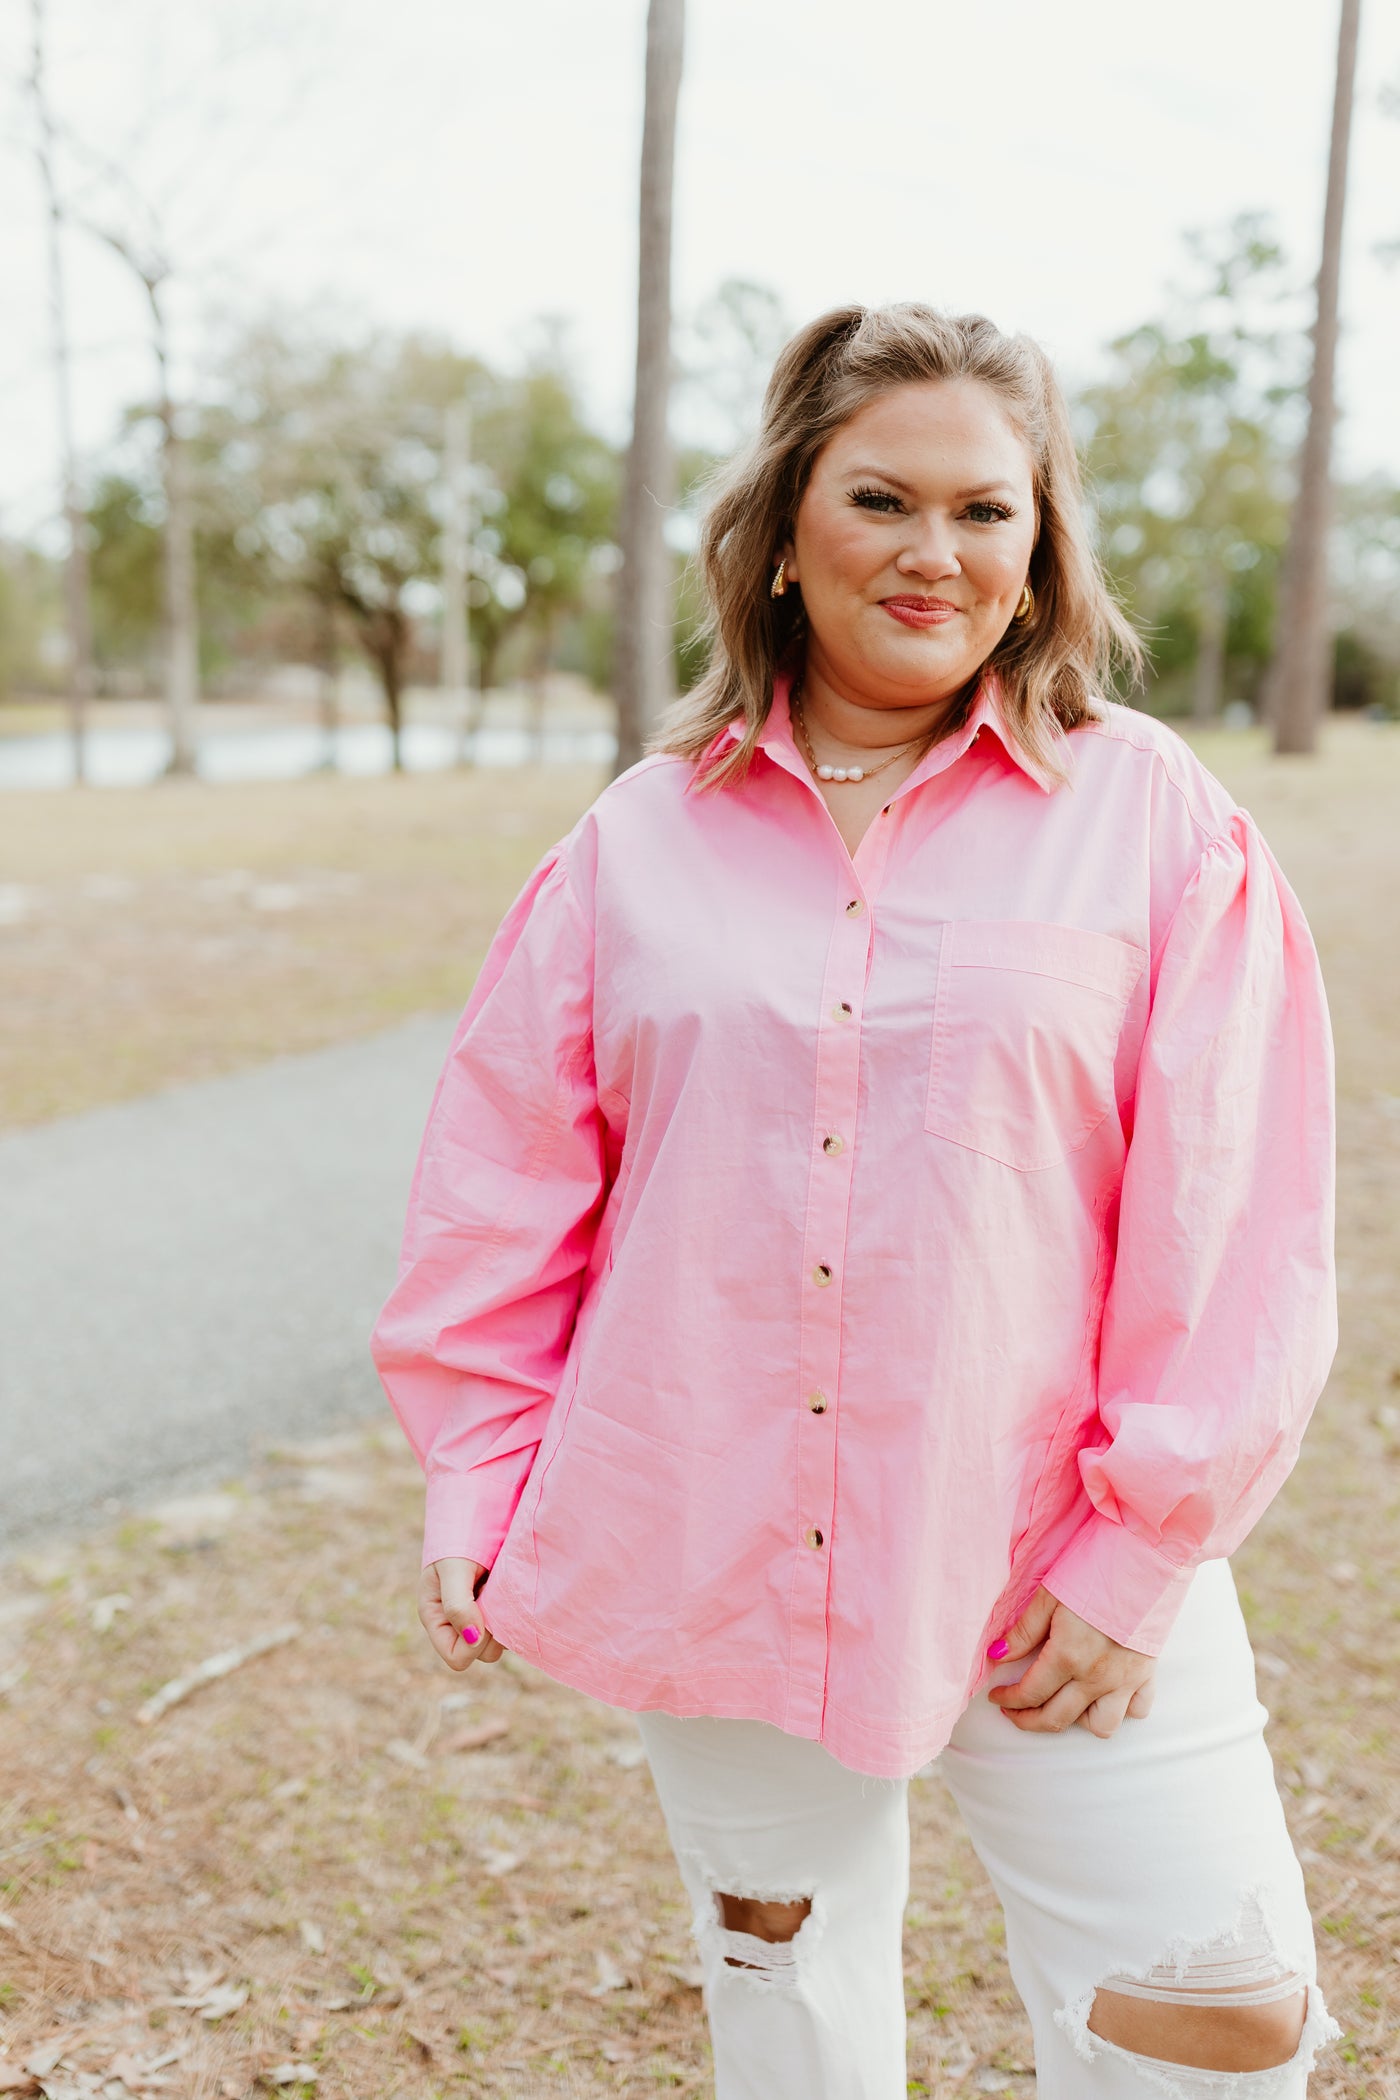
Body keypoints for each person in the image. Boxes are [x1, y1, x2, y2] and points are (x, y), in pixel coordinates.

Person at [370, 304, 1342, 2099]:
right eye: (883, 498)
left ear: (1041, 546)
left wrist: (1141, 1550)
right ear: (785, 526)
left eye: (990, 511)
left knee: (1213, 2030)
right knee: (793, 2017)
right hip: (717, 1535)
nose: (935, 553)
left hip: (1061, 1566)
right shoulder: (635, 844)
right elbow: (506, 1189)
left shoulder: (1155, 820)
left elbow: (1245, 1209)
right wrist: (476, 1464)